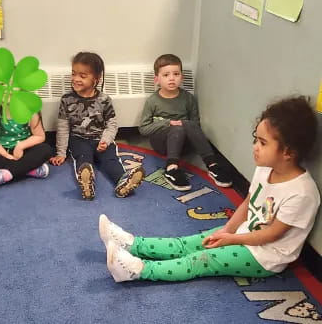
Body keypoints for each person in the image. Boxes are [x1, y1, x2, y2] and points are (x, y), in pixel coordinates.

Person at [101, 96, 319, 282]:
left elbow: (271, 235)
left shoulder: (301, 193)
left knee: (202, 260)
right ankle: (132, 244)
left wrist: (231, 239)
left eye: (263, 143)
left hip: (265, 257)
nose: (255, 147)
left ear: (288, 152)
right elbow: (247, 204)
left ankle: (137, 270)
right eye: (256, 139)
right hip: (244, 235)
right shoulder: (265, 169)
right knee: (190, 243)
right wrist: (227, 230)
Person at [49, 52, 145, 200]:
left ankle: (123, 183)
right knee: (83, 158)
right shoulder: (66, 100)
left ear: (96, 79)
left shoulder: (104, 100)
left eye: (82, 75)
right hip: (78, 139)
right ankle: (87, 183)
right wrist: (61, 153)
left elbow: (112, 124)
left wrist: (106, 140)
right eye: (74, 74)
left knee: (111, 160)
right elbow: (63, 127)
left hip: (101, 139)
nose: (75, 79)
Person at [139, 54, 232, 191]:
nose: (171, 78)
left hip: (184, 144)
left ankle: (212, 166)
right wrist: (168, 123)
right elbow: (144, 128)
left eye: (176, 74)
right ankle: (171, 169)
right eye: (166, 75)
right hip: (162, 143)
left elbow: (195, 124)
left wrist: (183, 124)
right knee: (179, 128)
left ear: (181, 77)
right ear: (157, 80)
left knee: (188, 125)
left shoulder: (188, 98)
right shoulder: (153, 101)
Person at [0, 105, 52, 190]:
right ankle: (28, 170)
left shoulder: (29, 107)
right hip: (1, 152)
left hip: (23, 152)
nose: (8, 92)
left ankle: (7, 173)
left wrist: (21, 146)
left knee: (46, 149)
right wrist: (5, 155)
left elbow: (39, 136)